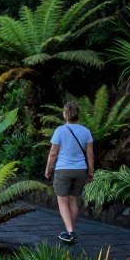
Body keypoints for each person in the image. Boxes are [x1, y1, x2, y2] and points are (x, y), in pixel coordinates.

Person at [44, 101, 95, 243]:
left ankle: (71, 231)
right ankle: (69, 230)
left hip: (63, 170)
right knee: (74, 200)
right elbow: (90, 154)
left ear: (66, 114)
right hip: (80, 170)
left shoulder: (60, 130)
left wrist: (48, 169)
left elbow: (53, 153)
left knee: (62, 201)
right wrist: (91, 171)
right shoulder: (86, 131)